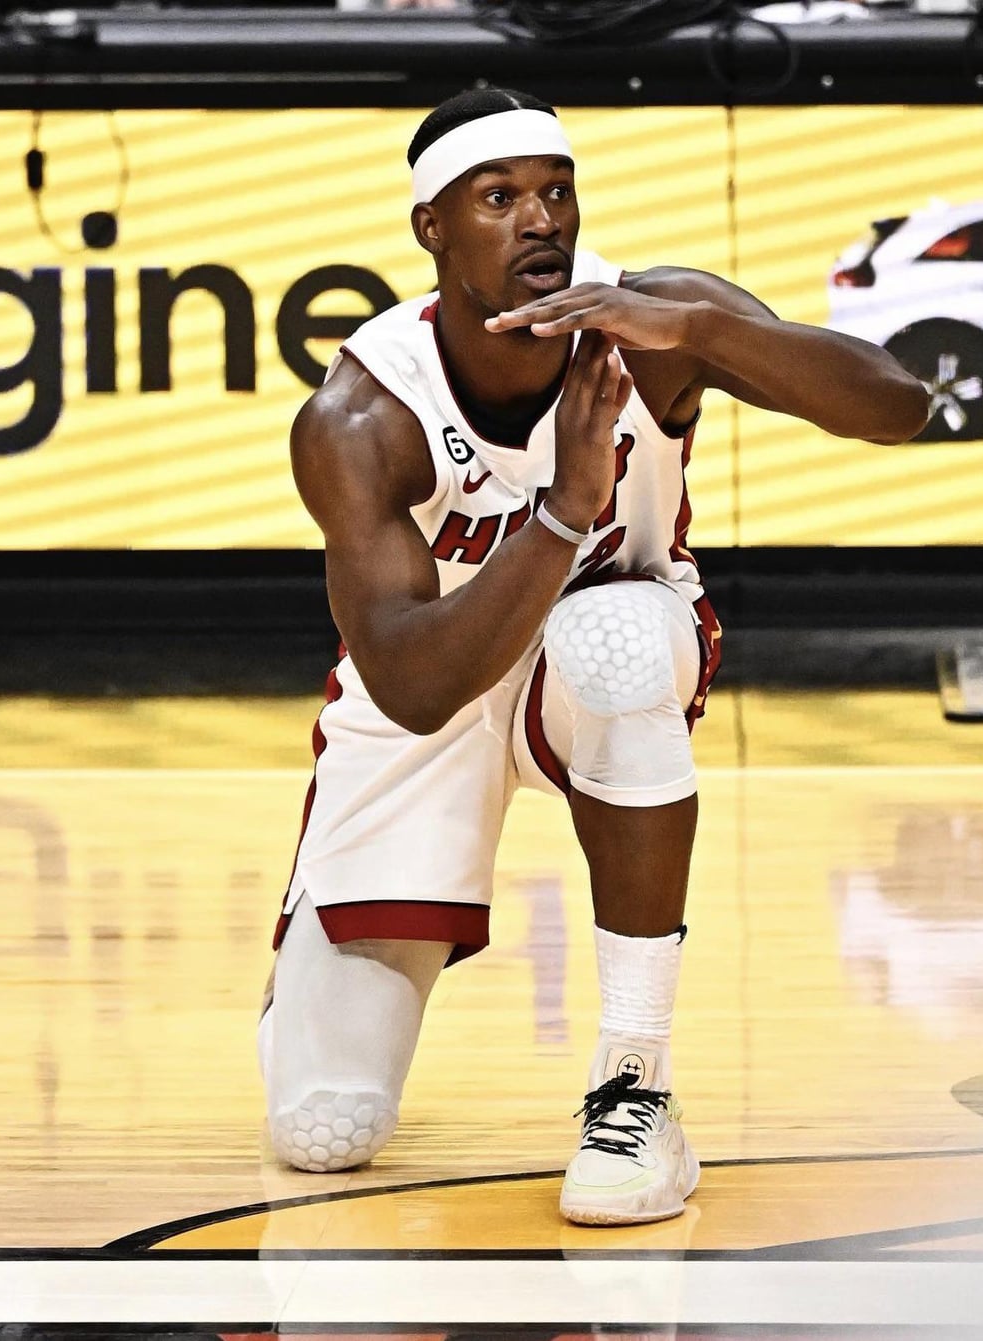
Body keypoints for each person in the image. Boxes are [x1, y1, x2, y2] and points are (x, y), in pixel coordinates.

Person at [257, 86, 927, 1226]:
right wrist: (565, 511)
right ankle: (315, 978)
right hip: (439, 687)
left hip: (610, 657)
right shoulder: (366, 413)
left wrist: (703, 334)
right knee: (327, 1129)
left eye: (556, 192)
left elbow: (899, 408)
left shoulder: (654, 322)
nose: (540, 219)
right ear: (431, 227)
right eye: (499, 197)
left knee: (611, 636)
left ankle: (636, 1085)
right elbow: (412, 686)